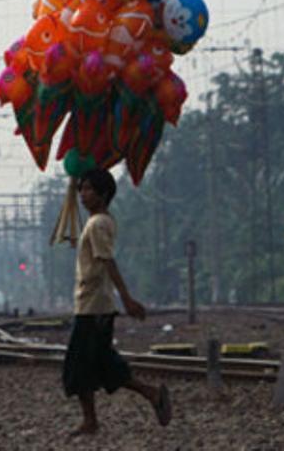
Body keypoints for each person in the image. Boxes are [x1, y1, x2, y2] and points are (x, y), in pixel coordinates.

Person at [63, 169, 172, 436]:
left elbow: (107, 261)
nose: (83, 194)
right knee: (100, 363)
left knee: (79, 365)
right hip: (93, 304)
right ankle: (149, 396)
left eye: (89, 189)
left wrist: (126, 298)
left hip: (94, 306)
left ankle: (98, 418)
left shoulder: (98, 223)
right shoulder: (98, 223)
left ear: (103, 194)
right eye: (82, 189)